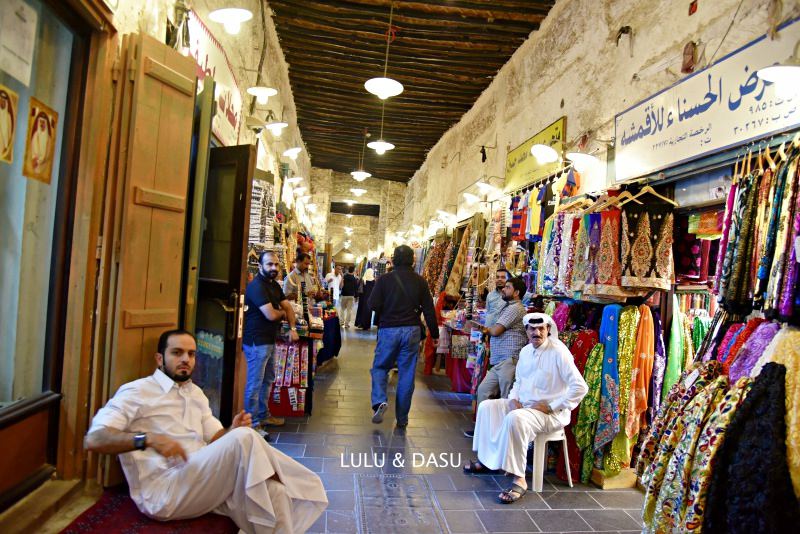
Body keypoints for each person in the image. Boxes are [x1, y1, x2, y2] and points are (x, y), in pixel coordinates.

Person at [84, 329, 328, 532]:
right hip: (164, 491)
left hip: (200, 478)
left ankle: (281, 480)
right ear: (160, 358)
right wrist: (147, 440)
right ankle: (299, 481)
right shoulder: (137, 391)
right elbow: (94, 439)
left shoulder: (195, 393)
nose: (185, 360)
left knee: (274, 492)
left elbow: (217, 439)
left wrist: (232, 429)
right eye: (177, 353)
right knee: (246, 439)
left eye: (191, 354)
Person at [464, 313, 588, 504]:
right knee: (488, 407)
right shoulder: (525, 352)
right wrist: (513, 399)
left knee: (517, 419)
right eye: (532, 328)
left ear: (548, 329)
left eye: (541, 329)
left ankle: (519, 479)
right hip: (525, 406)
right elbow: (519, 382)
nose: (536, 332)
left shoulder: (558, 352)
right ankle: (488, 461)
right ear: (526, 331)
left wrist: (553, 406)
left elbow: (580, 387)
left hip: (551, 414)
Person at [368, 245, 439, 428]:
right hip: (412, 330)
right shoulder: (420, 282)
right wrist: (435, 334)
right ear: (412, 260)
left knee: (380, 367)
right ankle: (402, 418)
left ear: (394, 259)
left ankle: (380, 401)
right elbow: (430, 311)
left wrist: (388, 307)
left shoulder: (384, 280)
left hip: (389, 329)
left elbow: (372, 304)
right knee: (407, 373)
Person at [463, 276, 527, 438]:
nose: (504, 289)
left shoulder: (516, 308)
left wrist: (481, 328)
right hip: (499, 360)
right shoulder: (508, 307)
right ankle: (482, 431)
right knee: (483, 391)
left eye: (508, 287)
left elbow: (496, 330)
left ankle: (505, 435)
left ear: (517, 292)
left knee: (507, 398)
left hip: (509, 359)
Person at [243, 250, 300, 432]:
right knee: (255, 383)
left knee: (268, 379)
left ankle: (263, 415)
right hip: (256, 341)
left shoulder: (274, 285)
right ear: (260, 266)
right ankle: (251, 424)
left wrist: (292, 328)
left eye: (276, 264)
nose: (274, 267)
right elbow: (271, 314)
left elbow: (288, 307)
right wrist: (283, 314)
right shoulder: (256, 286)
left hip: (269, 340)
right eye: (269, 264)